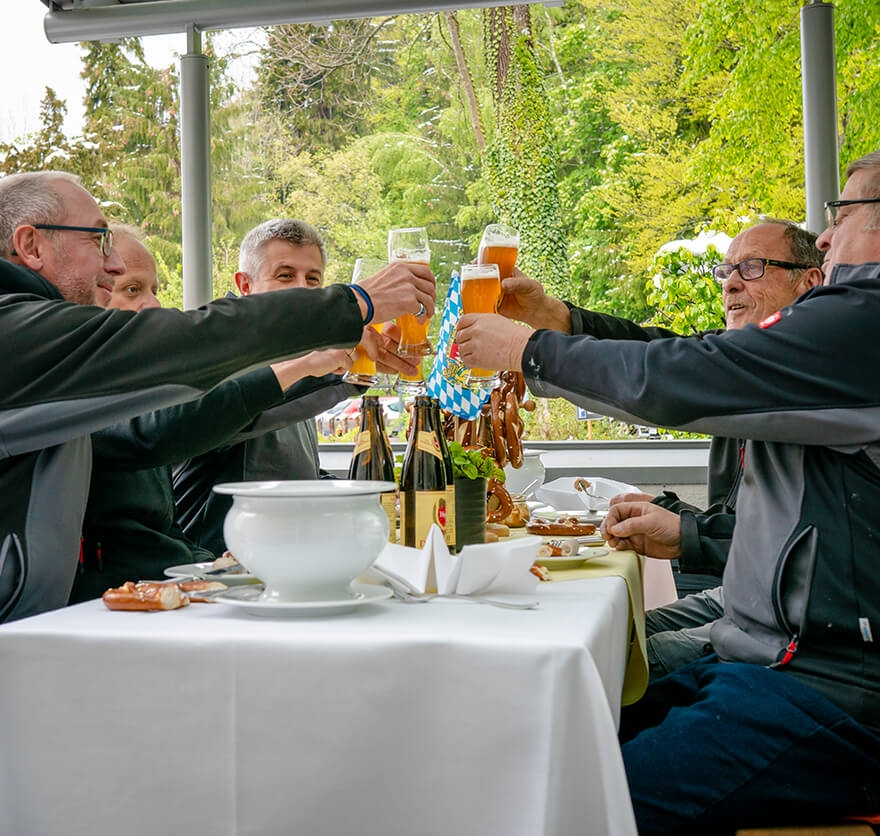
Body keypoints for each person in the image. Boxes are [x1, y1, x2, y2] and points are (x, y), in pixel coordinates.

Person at [456, 152, 880, 832]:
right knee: (559, 730)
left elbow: (688, 374)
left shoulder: (864, 322)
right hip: (768, 661)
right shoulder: (827, 337)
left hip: (832, 693)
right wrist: (560, 320)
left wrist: (530, 351)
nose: (828, 236)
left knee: (573, 803)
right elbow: (684, 354)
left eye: (844, 213)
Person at [0, 171, 434, 622]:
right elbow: (182, 369)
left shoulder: (44, 347)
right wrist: (352, 304)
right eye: (99, 240)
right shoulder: (17, 333)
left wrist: (331, 367)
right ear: (31, 245)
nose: (111, 267)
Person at [495, 220, 825, 679]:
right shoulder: (744, 359)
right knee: (611, 634)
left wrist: (528, 350)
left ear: (810, 280)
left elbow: (800, 549)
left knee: (614, 661)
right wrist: (553, 315)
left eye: (752, 268)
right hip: (741, 590)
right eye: (727, 270)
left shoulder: (808, 370)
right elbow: (655, 349)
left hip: (786, 617)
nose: (730, 283)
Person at [172, 218, 371, 555]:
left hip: (280, 562)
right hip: (212, 571)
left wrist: (363, 497)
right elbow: (247, 417)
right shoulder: (218, 353)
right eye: (285, 275)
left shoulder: (295, 357)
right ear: (244, 285)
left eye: (313, 279)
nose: (303, 291)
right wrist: (345, 374)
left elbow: (286, 471)